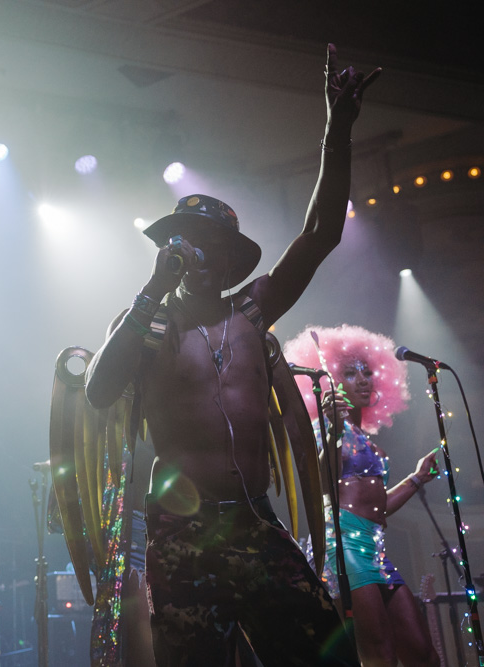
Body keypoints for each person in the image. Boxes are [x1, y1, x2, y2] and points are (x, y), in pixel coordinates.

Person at [84, 44, 378, 666]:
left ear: (229, 257)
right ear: (173, 248)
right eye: (190, 240)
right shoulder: (149, 321)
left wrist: (336, 129)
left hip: (254, 522)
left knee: (327, 654)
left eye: (216, 244)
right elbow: (97, 390)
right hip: (182, 533)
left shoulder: (251, 312)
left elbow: (321, 233)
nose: (202, 252)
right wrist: (150, 292)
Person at [285, 324, 441, 667]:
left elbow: (379, 506)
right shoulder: (325, 429)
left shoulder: (369, 440)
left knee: (423, 653)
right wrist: (334, 431)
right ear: (333, 384)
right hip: (345, 548)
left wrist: (416, 479)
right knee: (379, 655)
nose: (363, 379)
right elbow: (323, 483)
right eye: (351, 373)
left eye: (367, 372)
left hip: (376, 551)